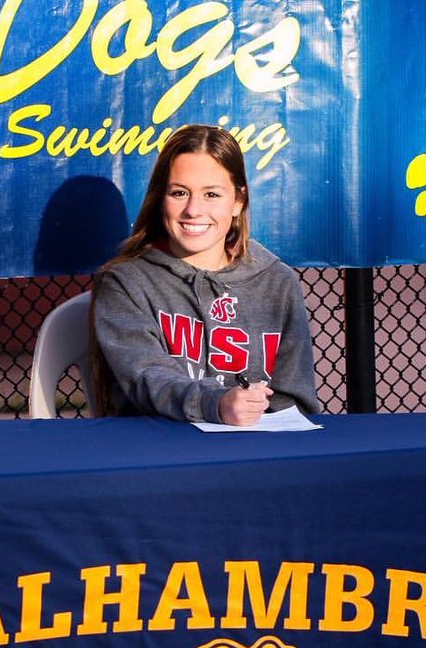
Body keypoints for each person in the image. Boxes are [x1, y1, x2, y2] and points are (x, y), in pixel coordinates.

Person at [90, 125, 320, 425]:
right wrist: (216, 404)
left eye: (211, 194)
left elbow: (293, 401)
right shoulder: (125, 282)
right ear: (161, 198)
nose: (193, 210)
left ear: (238, 201)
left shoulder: (277, 282)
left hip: (254, 454)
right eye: (179, 193)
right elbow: (148, 380)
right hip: (158, 449)